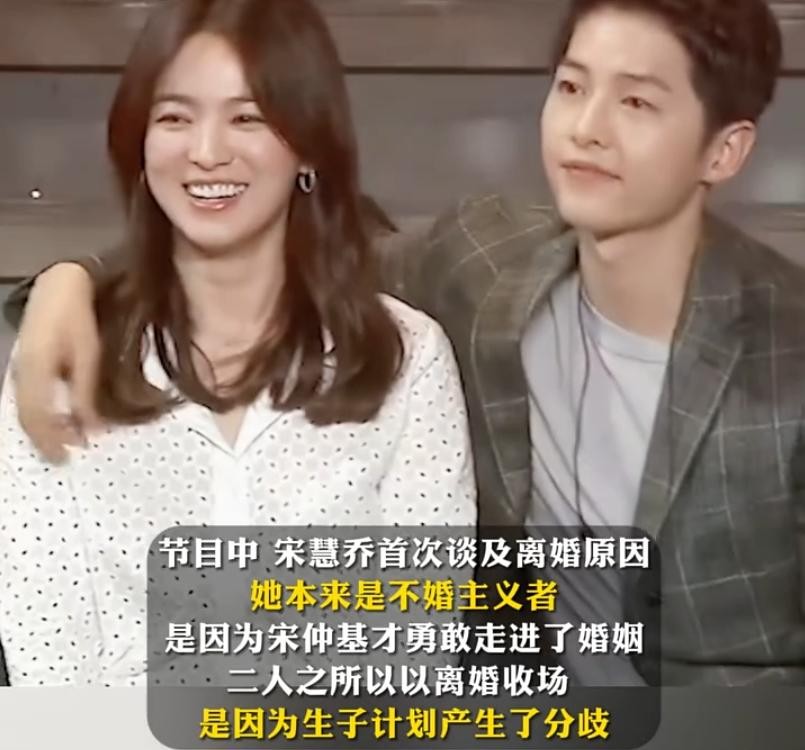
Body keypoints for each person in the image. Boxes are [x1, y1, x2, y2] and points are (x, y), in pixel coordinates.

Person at [5, 0, 805, 687]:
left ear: (724, 150)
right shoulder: (481, 263)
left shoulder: (787, 350)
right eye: (570, 87)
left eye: (635, 102)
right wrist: (68, 283)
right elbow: (254, 229)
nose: (586, 129)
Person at [0, 0, 476, 686]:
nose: (206, 151)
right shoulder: (64, 354)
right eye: (174, 118)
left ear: (307, 144)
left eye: (247, 117)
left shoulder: (409, 360)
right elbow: (48, 653)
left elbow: (417, 650)